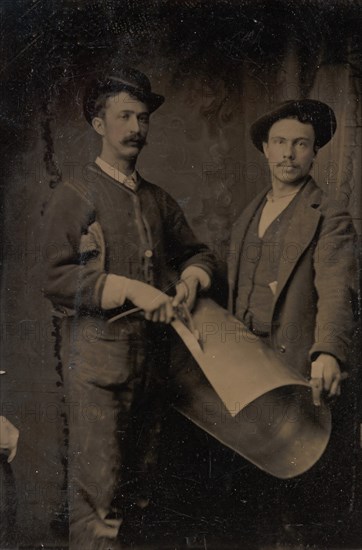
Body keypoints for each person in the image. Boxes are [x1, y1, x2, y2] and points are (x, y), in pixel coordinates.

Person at [42, 67, 216, 549]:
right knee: (98, 505)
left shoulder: (158, 200)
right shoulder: (76, 195)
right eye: (124, 116)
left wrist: (189, 280)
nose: (136, 128)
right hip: (99, 372)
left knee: (142, 499)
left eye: (143, 118)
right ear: (99, 125)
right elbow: (55, 279)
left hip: (155, 372)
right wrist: (129, 289)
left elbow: (200, 254)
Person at [227, 99, 357, 544]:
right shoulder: (248, 215)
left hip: (296, 370)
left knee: (298, 501)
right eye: (280, 142)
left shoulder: (330, 215)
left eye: (300, 144)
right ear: (265, 148)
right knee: (251, 494)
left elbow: (338, 290)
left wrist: (328, 352)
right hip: (245, 374)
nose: (288, 154)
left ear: (315, 151)